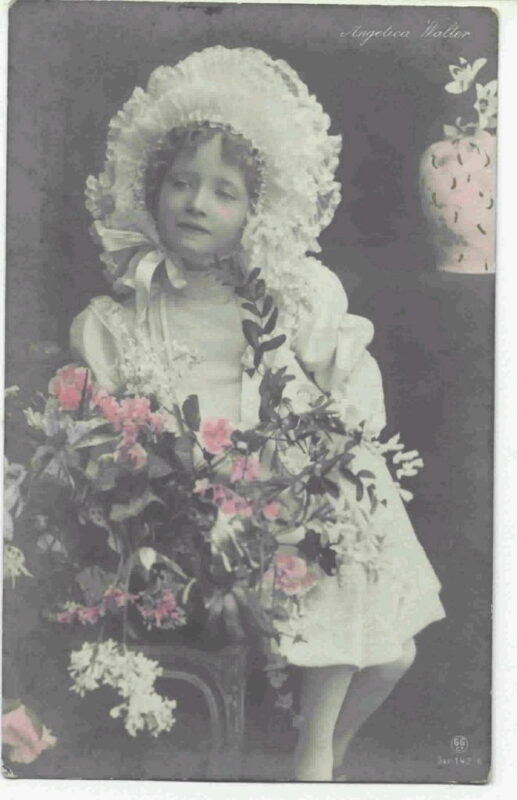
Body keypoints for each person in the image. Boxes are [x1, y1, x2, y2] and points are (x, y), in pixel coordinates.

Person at [70, 46, 446, 781]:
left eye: (224, 192)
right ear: (151, 189)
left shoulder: (289, 294)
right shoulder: (121, 317)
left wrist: (326, 449)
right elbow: (110, 437)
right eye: (181, 183)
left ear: (255, 212)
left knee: (393, 649)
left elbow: (348, 381)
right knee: (369, 620)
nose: (196, 203)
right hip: (191, 507)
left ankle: (319, 748)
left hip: (288, 491)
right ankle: (314, 760)